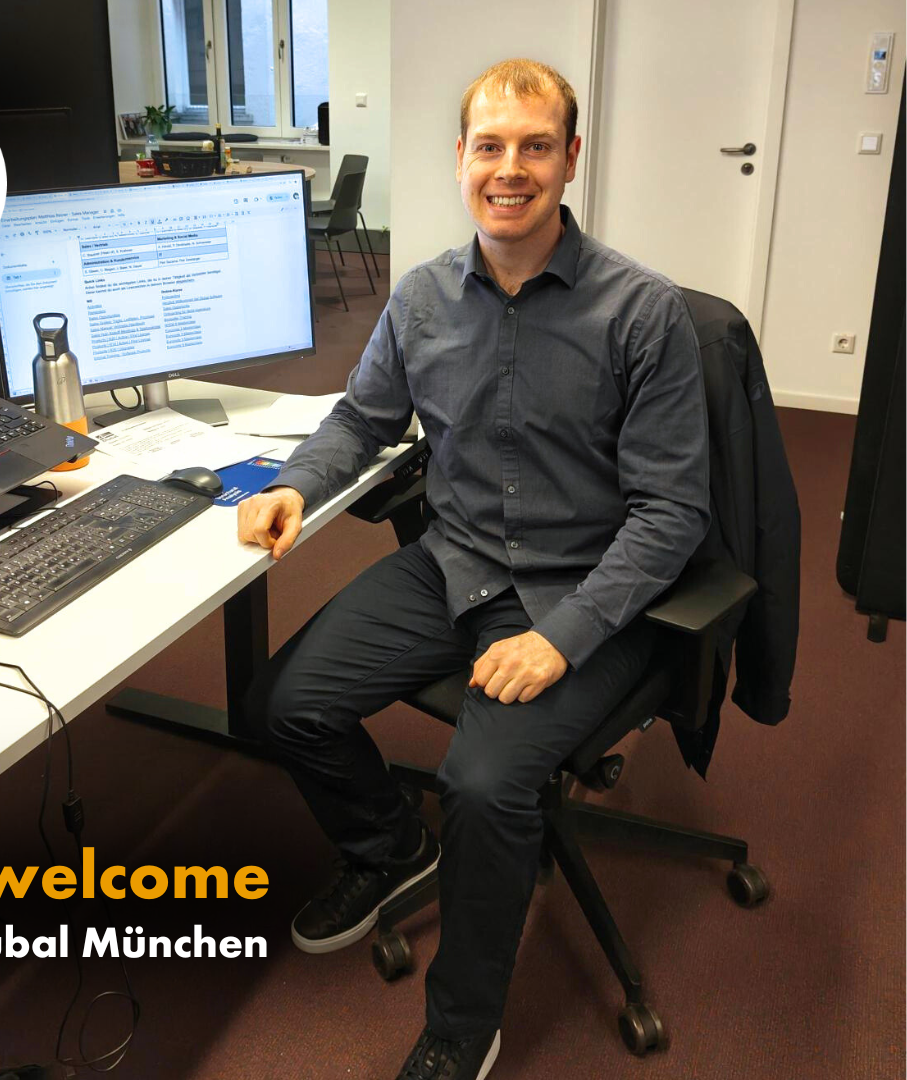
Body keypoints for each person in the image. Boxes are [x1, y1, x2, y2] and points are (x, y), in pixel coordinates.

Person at [238, 58, 710, 1080]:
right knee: (279, 705)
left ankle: (462, 1027)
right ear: (461, 159)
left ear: (571, 160)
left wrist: (561, 640)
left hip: (581, 592)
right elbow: (363, 418)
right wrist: (296, 483)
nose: (510, 169)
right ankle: (390, 848)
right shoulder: (420, 298)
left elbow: (674, 512)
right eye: (489, 146)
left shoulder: (643, 314)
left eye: (536, 146)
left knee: (486, 785)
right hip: (452, 565)